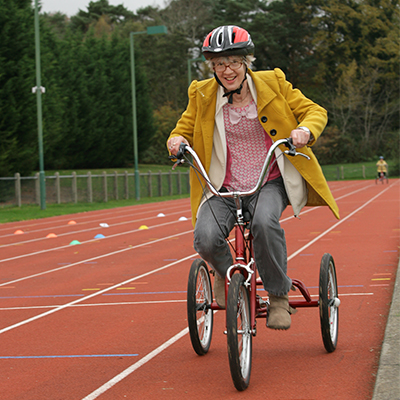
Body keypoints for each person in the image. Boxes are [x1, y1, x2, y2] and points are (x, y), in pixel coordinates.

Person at [167, 25, 339, 330]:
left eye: (234, 61)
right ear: (212, 67)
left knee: (263, 223)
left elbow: (314, 110)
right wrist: (176, 140)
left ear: (247, 61)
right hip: (222, 186)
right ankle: (226, 273)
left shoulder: (273, 82)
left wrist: (304, 131)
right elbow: (183, 127)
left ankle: (278, 298)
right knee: (205, 238)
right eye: (219, 64)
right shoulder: (202, 93)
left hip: (267, 181)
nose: (227, 70)